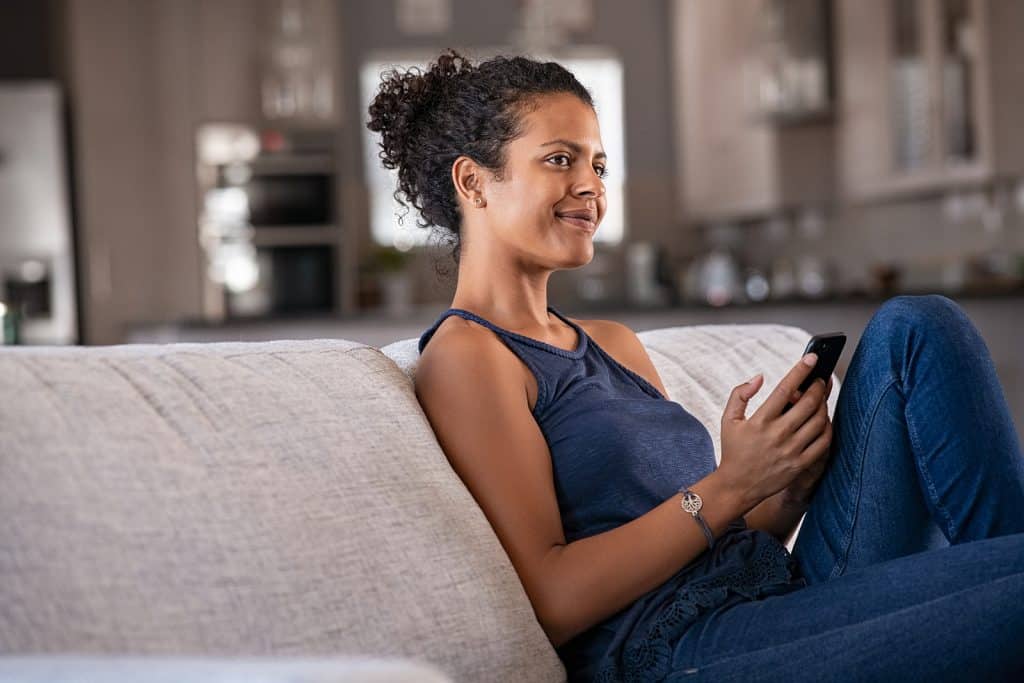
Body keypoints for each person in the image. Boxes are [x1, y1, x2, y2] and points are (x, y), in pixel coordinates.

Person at [367, 49, 1024, 681]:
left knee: (918, 327)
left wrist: (786, 480)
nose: (590, 186)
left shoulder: (613, 343)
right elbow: (556, 598)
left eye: (598, 164)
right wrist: (732, 483)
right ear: (472, 181)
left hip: (774, 595)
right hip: (679, 650)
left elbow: (714, 532)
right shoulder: (469, 354)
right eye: (559, 160)